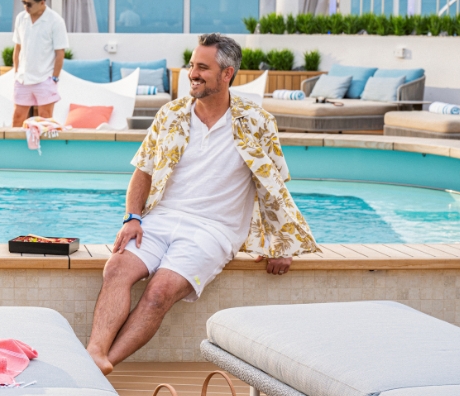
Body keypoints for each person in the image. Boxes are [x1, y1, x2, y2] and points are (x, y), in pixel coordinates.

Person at [85, 33, 319, 375]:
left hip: (214, 230)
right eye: (192, 65)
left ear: (227, 74)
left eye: (202, 68)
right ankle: (94, 353)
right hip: (160, 219)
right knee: (117, 269)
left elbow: (274, 187)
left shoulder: (257, 122)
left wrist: (279, 243)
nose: (192, 73)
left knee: (158, 293)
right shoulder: (171, 115)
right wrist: (132, 217)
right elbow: (143, 171)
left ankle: (101, 366)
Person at [11, 0, 69, 127]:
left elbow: (60, 53)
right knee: (17, 118)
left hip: (45, 78)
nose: (25, 7)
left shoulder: (56, 21)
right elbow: (17, 47)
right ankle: (15, 150)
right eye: (23, 2)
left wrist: (54, 78)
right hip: (23, 78)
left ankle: (47, 150)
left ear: (42, 2)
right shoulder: (21, 18)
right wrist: (16, 71)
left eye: (29, 4)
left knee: (46, 120)